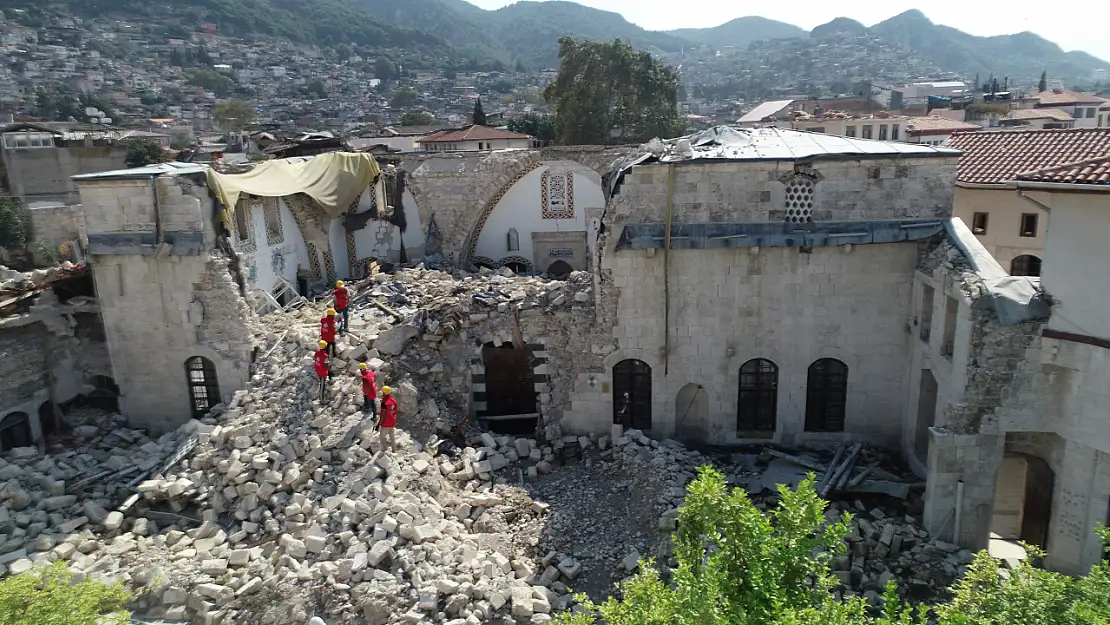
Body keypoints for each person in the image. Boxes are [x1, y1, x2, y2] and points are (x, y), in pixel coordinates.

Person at [378, 385, 397, 453]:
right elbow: (395, 410)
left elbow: (383, 414)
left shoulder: (384, 402)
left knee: (382, 437)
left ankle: (385, 450)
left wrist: (379, 423)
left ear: (384, 393)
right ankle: (394, 450)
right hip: (392, 421)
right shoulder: (393, 400)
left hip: (386, 422)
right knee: (392, 436)